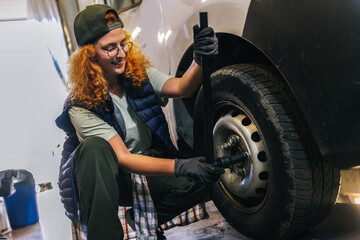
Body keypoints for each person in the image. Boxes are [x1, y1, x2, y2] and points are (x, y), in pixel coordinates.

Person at [55, 4, 221, 240]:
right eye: (109, 48)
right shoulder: (81, 104)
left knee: (203, 180)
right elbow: (123, 159)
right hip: (108, 178)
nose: (121, 53)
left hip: (144, 167)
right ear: (89, 55)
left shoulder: (136, 74)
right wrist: (180, 166)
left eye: (123, 43)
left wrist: (199, 59)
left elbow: (182, 88)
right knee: (93, 149)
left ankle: (143, 218)